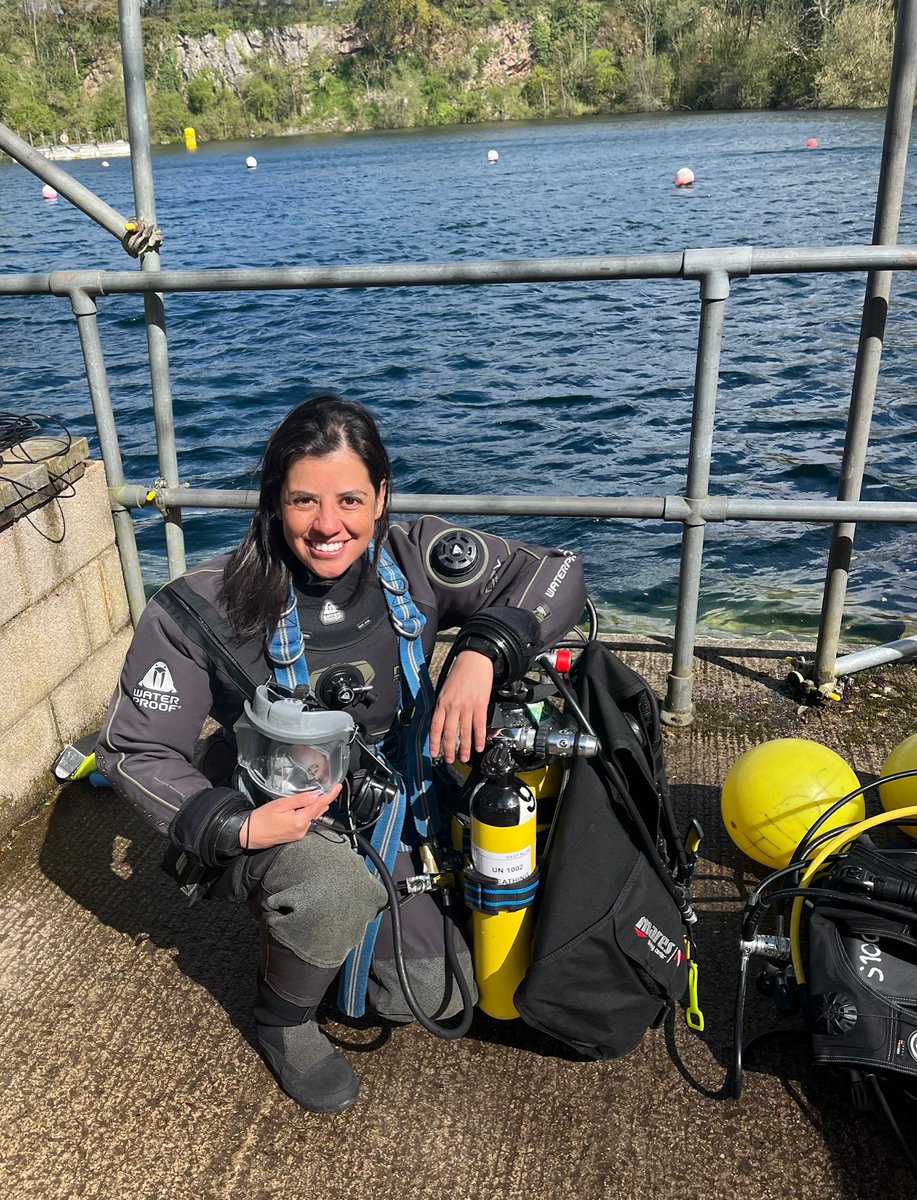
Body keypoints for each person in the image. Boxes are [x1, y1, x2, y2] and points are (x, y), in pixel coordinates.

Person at [96, 393, 587, 1113]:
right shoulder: (203, 607)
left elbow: (556, 572)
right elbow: (134, 750)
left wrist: (482, 652)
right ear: (272, 501)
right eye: (303, 502)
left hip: (411, 784)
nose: (329, 526)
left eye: (352, 499)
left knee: (452, 984)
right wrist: (234, 826)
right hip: (286, 808)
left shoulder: (420, 555)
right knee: (343, 907)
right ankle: (282, 1019)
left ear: (382, 495)